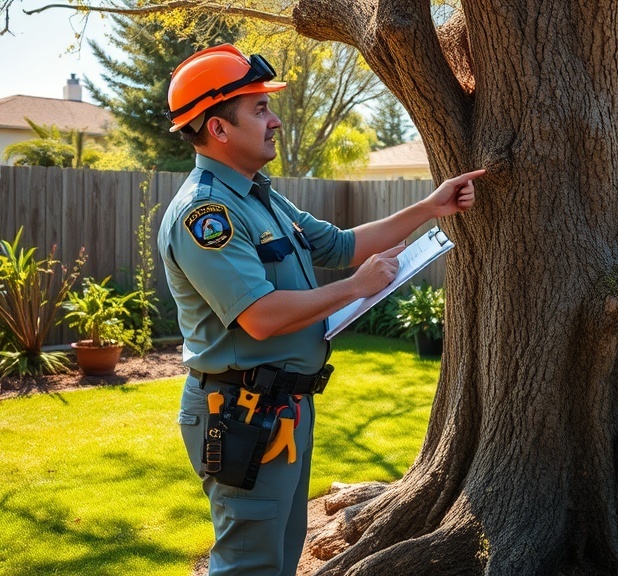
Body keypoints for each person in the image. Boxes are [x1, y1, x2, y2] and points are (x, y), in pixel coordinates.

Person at [157, 44, 484, 575]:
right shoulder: (206, 213)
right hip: (240, 412)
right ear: (218, 129)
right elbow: (260, 316)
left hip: (282, 407)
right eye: (259, 109)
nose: (275, 120)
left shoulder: (259, 197)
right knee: (249, 563)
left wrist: (431, 207)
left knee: (282, 555)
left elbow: (337, 245)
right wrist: (355, 288)